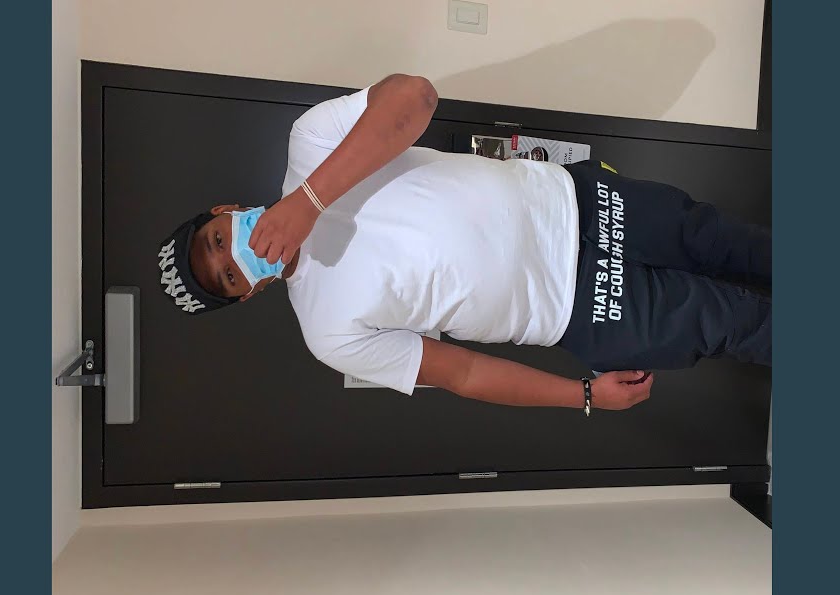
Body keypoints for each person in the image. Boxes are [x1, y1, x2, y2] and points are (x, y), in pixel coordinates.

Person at [155, 74, 770, 414]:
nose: (234, 256)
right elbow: (464, 373)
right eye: (228, 276)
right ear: (247, 294)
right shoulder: (326, 332)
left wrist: (308, 202)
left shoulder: (308, 143)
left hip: (580, 203)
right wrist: (583, 395)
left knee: (727, 242)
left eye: (217, 241)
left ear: (225, 212)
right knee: (734, 323)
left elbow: (415, 98)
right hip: (577, 311)